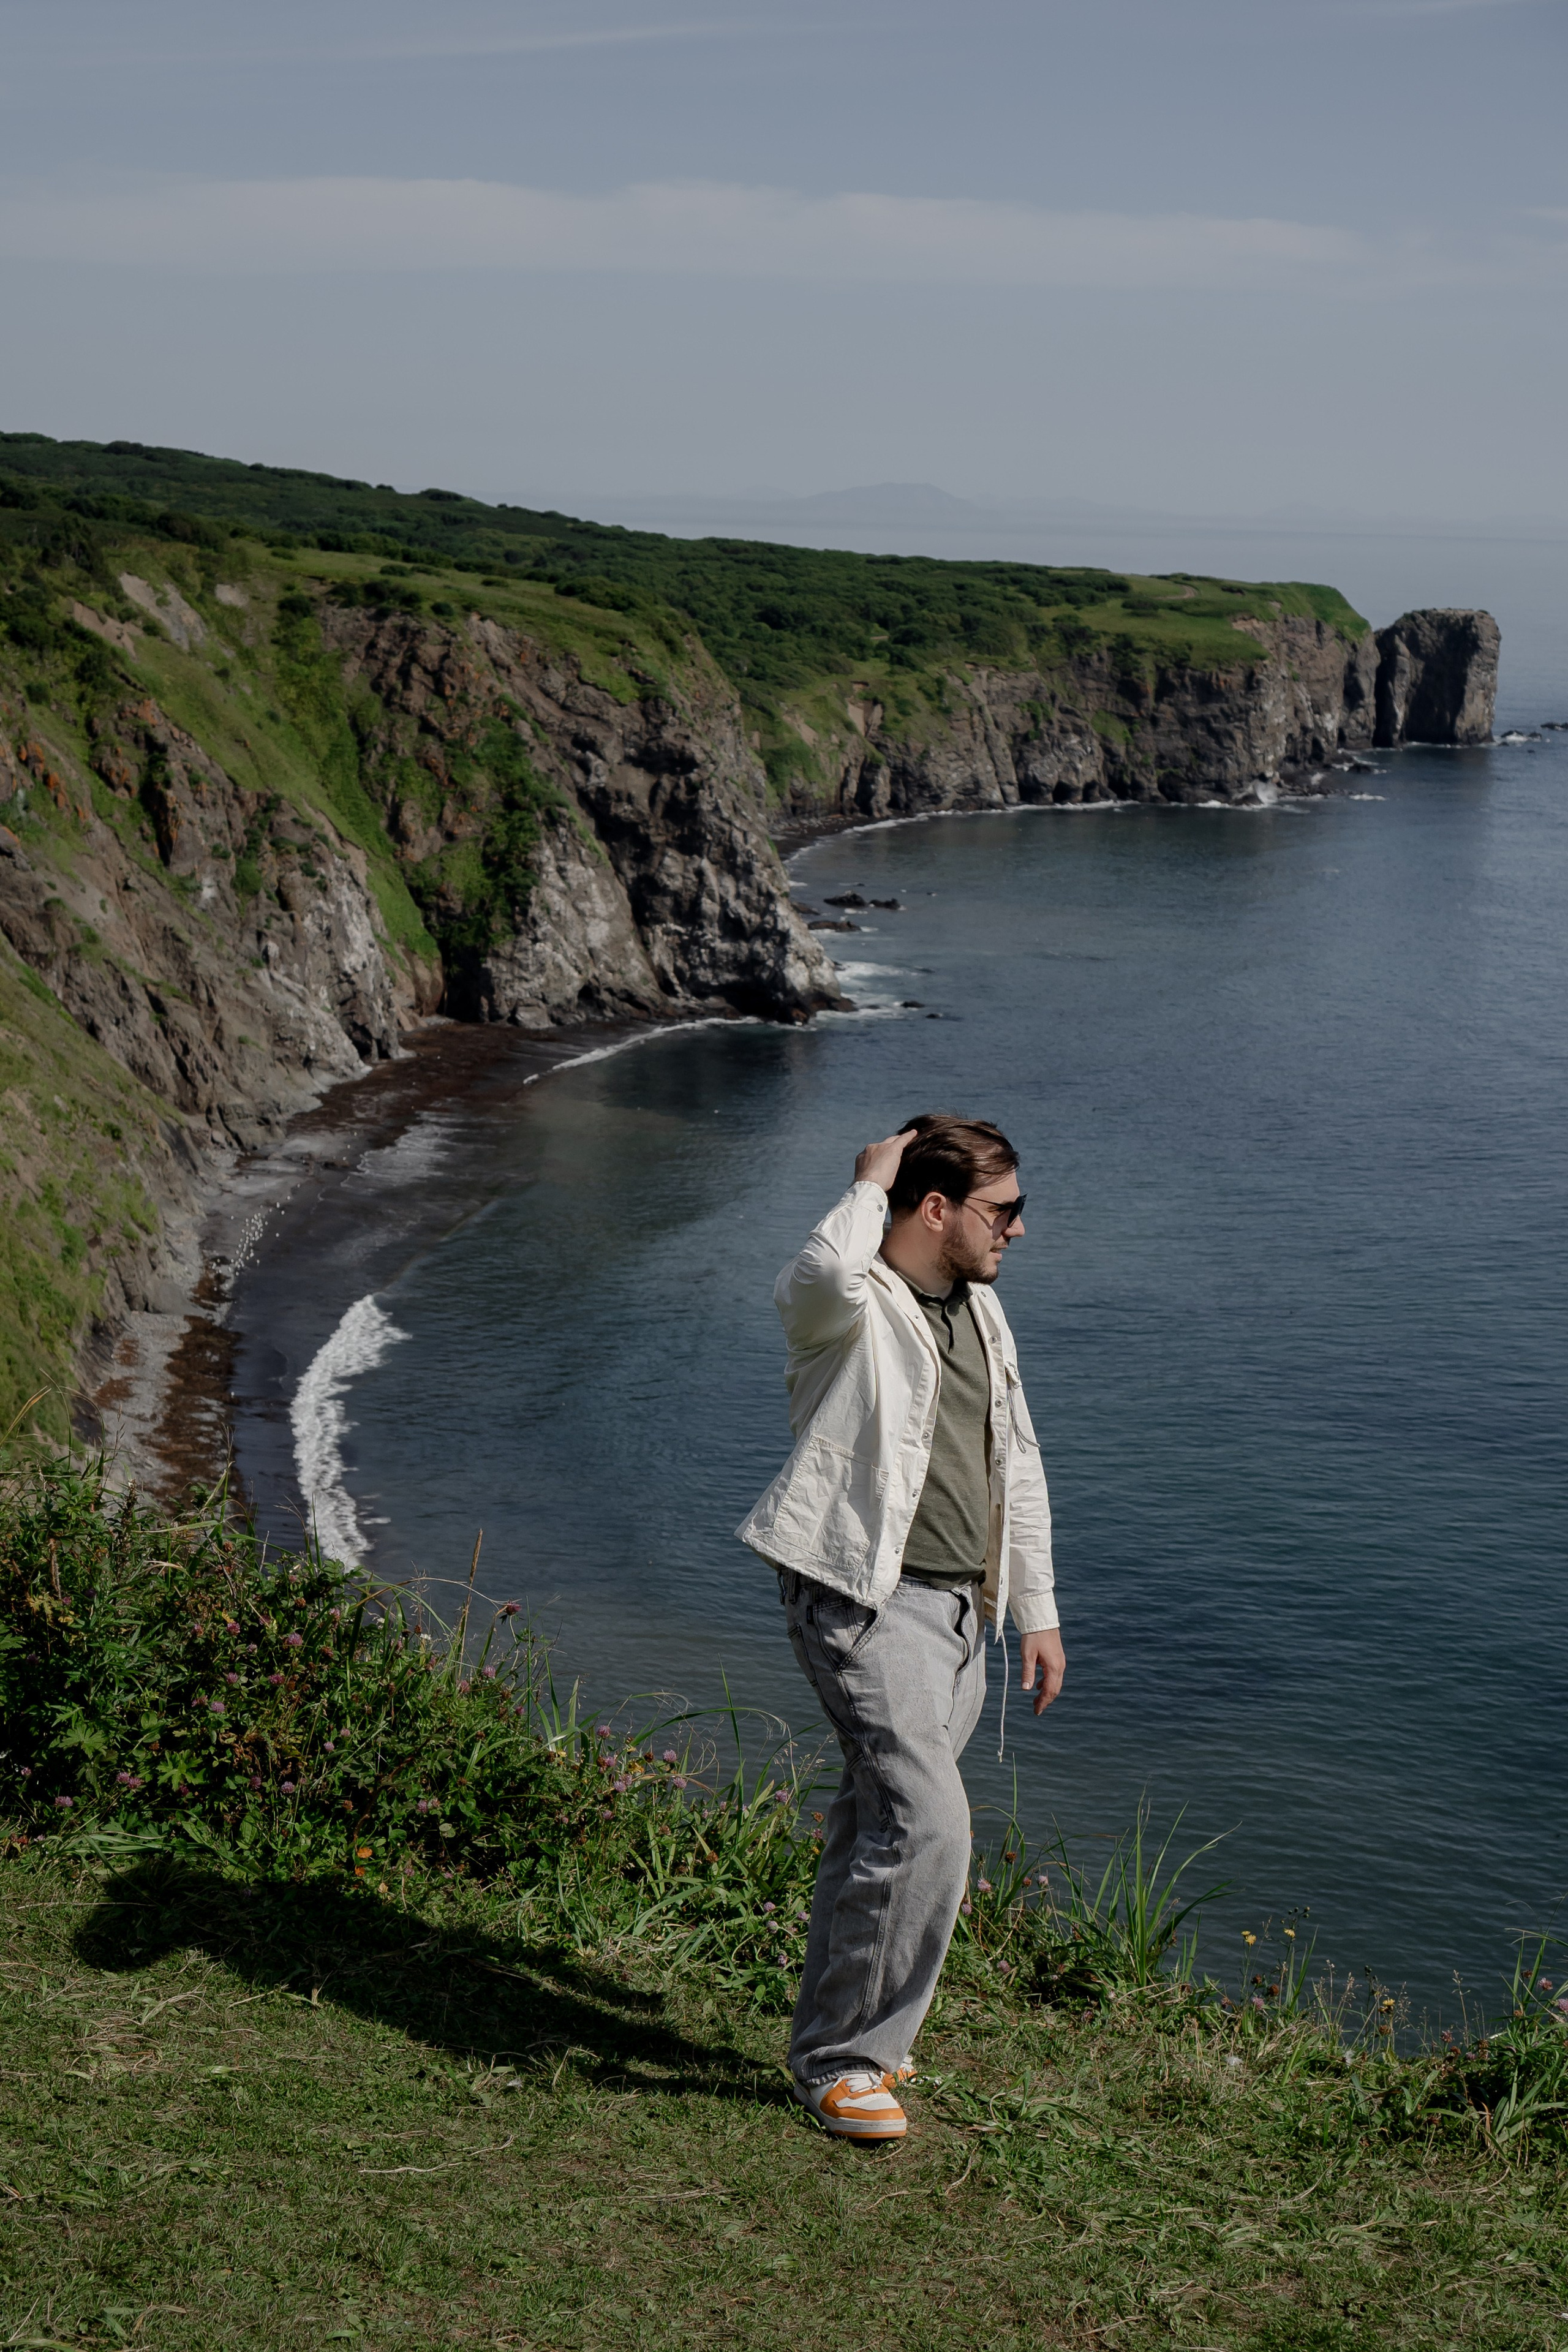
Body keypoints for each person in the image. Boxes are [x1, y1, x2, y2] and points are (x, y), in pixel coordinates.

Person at [737, 1113, 1065, 2142]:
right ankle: (845, 2062)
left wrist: (1036, 1614)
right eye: (1004, 1210)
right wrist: (866, 1183)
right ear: (935, 1208)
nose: (1020, 1229)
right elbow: (818, 1274)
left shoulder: (981, 1314)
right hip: (865, 1603)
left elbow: (1016, 1463)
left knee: (876, 1826)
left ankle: (844, 2034)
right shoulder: (851, 1307)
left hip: (962, 1613)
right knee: (929, 1824)